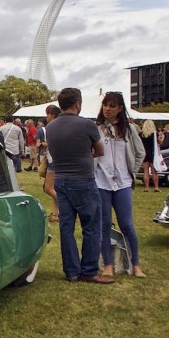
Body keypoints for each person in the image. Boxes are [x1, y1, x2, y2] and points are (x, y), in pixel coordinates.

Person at [46, 87, 111, 284]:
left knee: (66, 227)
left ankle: (71, 271)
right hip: (83, 180)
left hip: (61, 180)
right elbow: (100, 151)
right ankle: (89, 271)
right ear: (78, 103)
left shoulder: (50, 127)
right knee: (91, 226)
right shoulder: (87, 125)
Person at [95, 92, 145, 278]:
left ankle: (135, 264)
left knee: (127, 224)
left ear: (120, 108)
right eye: (105, 105)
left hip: (123, 183)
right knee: (104, 224)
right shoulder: (97, 129)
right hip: (101, 182)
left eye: (112, 105)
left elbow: (140, 153)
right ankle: (108, 264)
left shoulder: (129, 130)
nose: (108, 109)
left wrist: (132, 170)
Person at [38, 106, 59, 223]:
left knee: (48, 188)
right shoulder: (58, 126)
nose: (46, 117)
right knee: (54, 189)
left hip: (53, 160)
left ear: (52, 114)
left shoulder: (53, 127)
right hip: (55, 160)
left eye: (47, 114)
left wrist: (42, 143)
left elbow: (52, 143)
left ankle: (67, 206)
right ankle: (55, 214)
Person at [139, 119, 158, 193]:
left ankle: (147, 187)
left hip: (144, 153)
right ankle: (156, 187)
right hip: (153, 154)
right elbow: (158, 143)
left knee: (146, 172)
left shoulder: (141, 134)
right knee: (154, 172)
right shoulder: (154, 134)